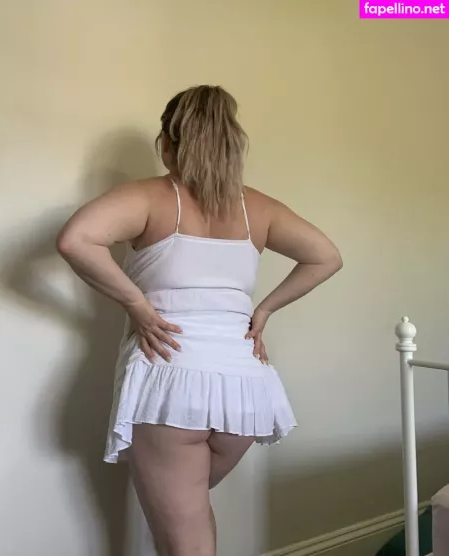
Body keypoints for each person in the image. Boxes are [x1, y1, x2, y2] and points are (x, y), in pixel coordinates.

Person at [57, 85, 343, 556]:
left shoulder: (150, 196)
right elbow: (326, 256)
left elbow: (75, 240)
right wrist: (263, 309)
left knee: (183, 539)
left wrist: (137, 305)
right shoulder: (258, 207)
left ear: (168, 142)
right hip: (245, 385)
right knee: (192, 522)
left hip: (173, 381)